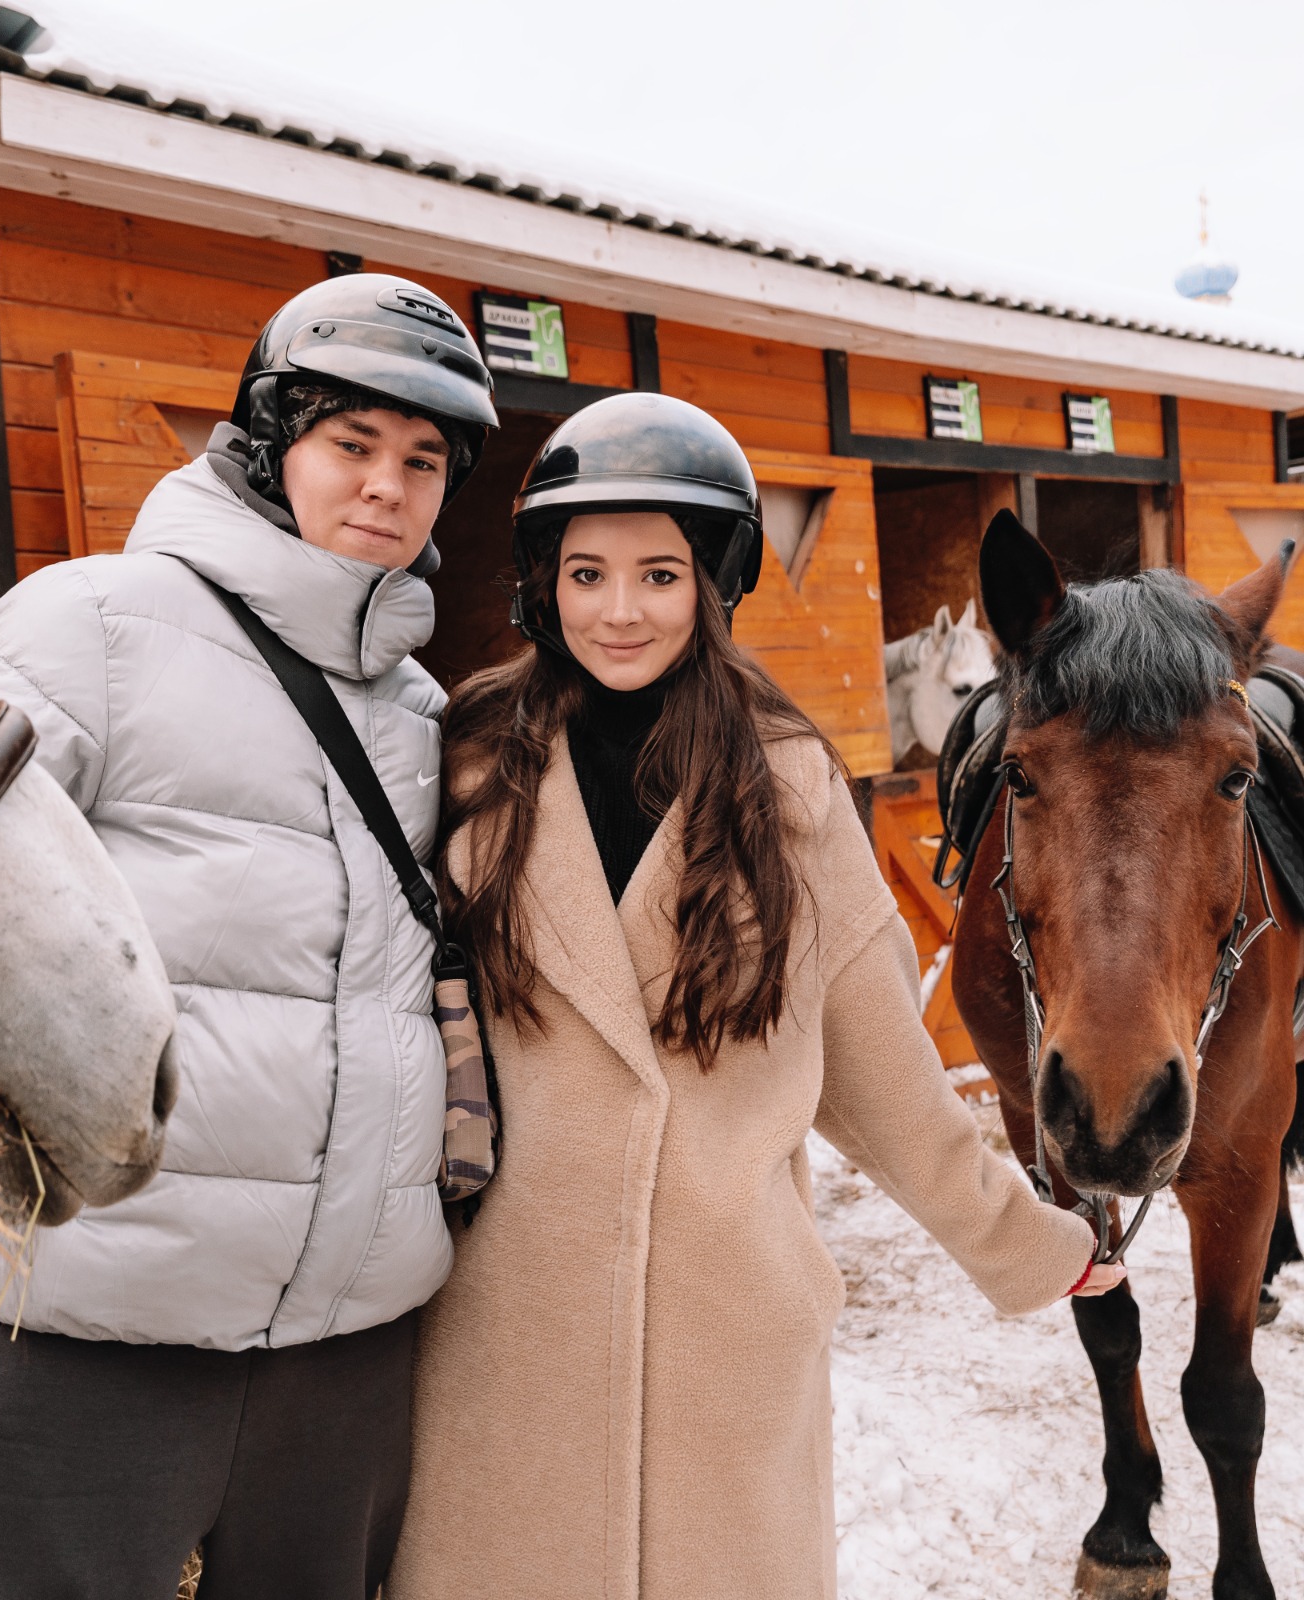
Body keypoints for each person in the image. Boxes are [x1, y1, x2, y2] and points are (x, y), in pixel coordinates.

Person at [388, 392, 1122, 1600]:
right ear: (541, 584)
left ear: (713, 582)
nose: (619, 610)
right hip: (501, 1336)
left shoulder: (786, 785)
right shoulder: (469, 762)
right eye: (585, 574)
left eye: (658, 574)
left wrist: (1027, 1242)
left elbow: (885, 1078)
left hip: (726, 1340)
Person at [0, 274, 496, 1599]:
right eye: (352, 443)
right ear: (269, 440)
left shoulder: (423, 714)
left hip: (347, 1356)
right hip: (94, 1339)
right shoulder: (88, 626)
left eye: (424, 461)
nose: (387, 487)